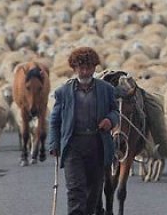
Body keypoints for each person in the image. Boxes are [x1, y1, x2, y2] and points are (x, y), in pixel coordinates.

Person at [48, 47, 120, 215]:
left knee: (93, 194)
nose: (85, 71)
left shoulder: (106, 90)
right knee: (75, 190)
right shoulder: (63, 92)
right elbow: (55, 120)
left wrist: (110, 120)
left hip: (97, 145)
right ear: (74, 68)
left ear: (95, 68)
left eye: (89, 67)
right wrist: (54, 143)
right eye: (81, 67)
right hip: (73, 146)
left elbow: (115, 111)